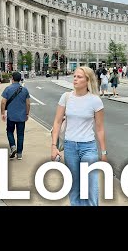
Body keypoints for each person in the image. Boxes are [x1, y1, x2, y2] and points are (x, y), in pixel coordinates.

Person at [50, 66, 107, 206]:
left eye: (79, 77)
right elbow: (57, 122)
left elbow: (100, 129)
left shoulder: (95, 101)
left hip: (88, 147)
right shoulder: (66, 97)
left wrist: (104, 152)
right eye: (74, 76)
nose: (75, 79)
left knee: (90, 186)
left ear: (87, 80)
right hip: (70, 147)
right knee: (74, 186)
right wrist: (53, 146)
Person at [1, 71, 30, 160]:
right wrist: (27, 113)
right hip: (21, 116)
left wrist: (2, 113)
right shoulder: (24, 90)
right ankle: (20, 154)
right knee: (20, 134)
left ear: (12, 79)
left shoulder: (8, 89)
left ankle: (13, 146)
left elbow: (3, 102)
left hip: (11, 116)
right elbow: (28, 103)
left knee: (9, 131)